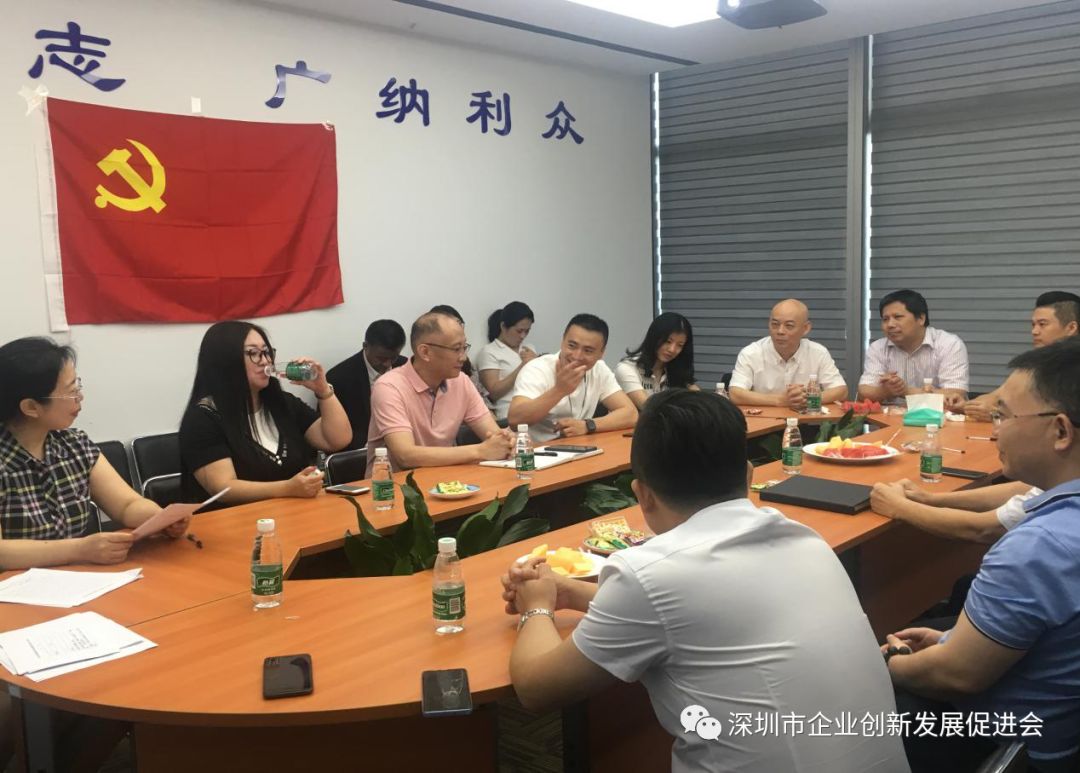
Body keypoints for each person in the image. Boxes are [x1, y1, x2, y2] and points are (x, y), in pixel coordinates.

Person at [500, 390, 908, 772]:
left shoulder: (650, 574)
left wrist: (536, 605)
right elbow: (689, 610)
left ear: (642, 495)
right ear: (748, 476)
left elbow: (536, 689)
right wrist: (570, 592)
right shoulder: (804, 538)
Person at [882, 338, 1080, 772]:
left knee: (837, 711)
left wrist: (890, 664)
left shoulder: (1040, 545)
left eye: (1002, 415)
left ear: (1061, 431)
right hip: (1058, 721)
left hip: (1013, 745)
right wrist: (951, 641)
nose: (994, 430)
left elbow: (955, 676)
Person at [0, 337, 187, 569]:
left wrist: (160, 519)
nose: (80, 397)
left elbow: (126, 505)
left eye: (78, 386)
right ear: (31, 407)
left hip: (78, 577)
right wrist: (79, 549)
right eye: (71, 391)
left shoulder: (75, 445)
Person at [179, 321, 352, 507]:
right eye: (253, 353)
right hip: (237, 518)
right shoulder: (203, 417)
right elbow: (223, 488)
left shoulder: (281, 402)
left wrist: (323, 390)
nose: (265, 361)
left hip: (293, 513)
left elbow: (336, 440)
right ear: (225, 360)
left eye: (267, 352)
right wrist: (287, 488)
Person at [366, 312, 513, 473]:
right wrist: (480, 451)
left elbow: (493, 435)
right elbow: (405, 455)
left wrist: (507, 442)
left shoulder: (461, 381)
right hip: (392, 485)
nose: (463, 358)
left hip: (445, 480)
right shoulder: (389, 387)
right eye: (456, 349)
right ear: (425, 352)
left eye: (464, 348)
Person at [947, 291, 1080, 422]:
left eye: (1042, 324)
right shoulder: (1032, 366)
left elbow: (1051, 421)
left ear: (1071, 328)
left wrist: (997, 415)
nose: (1034, 331)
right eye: (1033, 325)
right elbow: (995, 397)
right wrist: (965, 406)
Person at [508, 313, 637, 442]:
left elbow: (631, 414)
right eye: (572, 346)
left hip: (577, 447)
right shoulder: (537, 369)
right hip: (535, 450)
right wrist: (559, 390)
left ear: (601, 353)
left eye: (588, 350)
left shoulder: (599, 370)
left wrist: (588, 425)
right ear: (562, 341)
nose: (577, 356)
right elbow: (515, 421)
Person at [729, 299, 848, 409]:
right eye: (775, 324)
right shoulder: (751, 353)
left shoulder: (818, 353)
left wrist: (807, 398)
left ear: (806, 328)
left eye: (789, 326)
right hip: (765, 422)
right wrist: (779, 400)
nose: (780, 331)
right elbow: (735, 393)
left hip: (806, 421)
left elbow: (841, 391)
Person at [858, 289, 969, 405]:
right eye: (885, 319)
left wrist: (905, 391)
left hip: (939, 416)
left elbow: (954, 395)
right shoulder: (878, 348)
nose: (890, 324)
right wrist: (885, 391)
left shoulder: (949, 344)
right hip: (890, 415)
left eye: (898, 317)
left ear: (921, 318)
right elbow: (863, 392)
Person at [871, 479, 1038, 544]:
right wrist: (930, 499)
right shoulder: (1050, 480)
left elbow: (983, 529)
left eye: (1003, 417)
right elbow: (1026, 489)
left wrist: (899, 506)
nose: (996, 431)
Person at [326, 319, 407, 450]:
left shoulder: (406, 367)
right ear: (365, 346)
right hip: (359, 450)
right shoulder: (339, 377)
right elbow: (332, 429)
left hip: (403, 443)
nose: (388, 364)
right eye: (381, 358)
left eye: (394, 357)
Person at [613, 312, 698, 410]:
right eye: (668, 341)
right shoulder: (627, 368)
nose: (672, 349)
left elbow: (702, 404)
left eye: (680, 345)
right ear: (654, 337)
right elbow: (650, 409)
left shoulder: (676, 370)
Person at [475, 301, 538, 421]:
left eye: (527, 331)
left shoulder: (529, 348)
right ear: (503, 326)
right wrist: (523, 366)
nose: (523, 336)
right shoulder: (489, 352)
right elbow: (493, 393)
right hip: (509, 414)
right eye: (519, 331)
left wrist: (538, 362)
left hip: (536, 408)